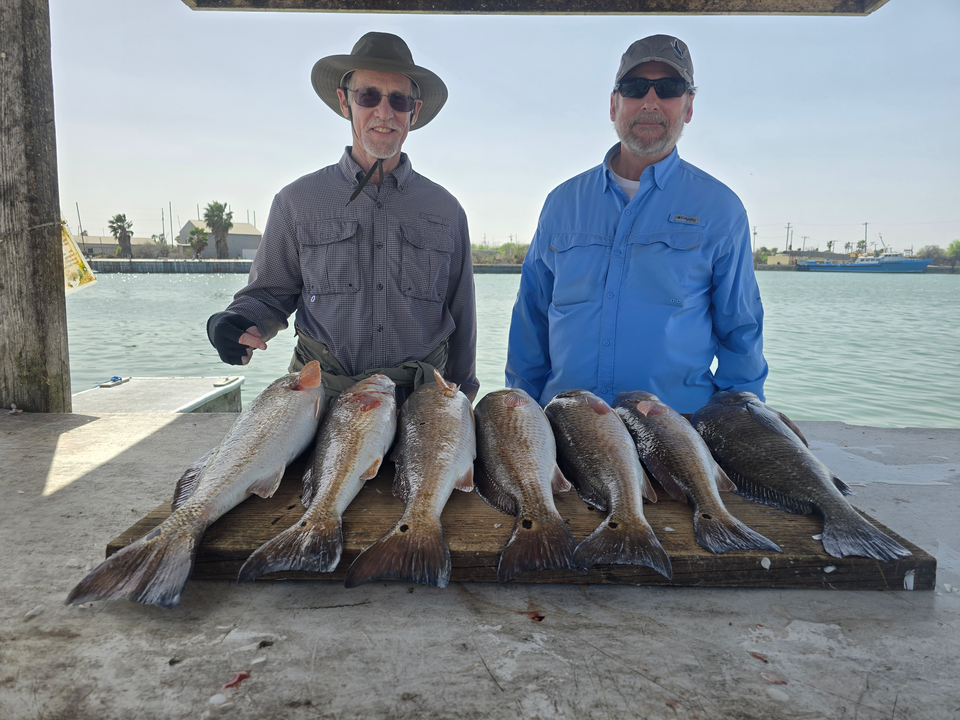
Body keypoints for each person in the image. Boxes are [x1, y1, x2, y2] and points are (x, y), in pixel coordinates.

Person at [207, 32, 478, 404]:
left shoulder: (447, 210)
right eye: (369, 96)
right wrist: (232, 322)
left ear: (413, 112)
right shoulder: (295, 201)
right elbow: (269, 295)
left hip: (419, 406)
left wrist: (463, 398)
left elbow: (462, 318)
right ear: (344, 101)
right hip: (321, 403)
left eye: (398, 100)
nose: (384, 112)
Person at [505, 34, 767, 414]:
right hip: (567, 435)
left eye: (668, 88)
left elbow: (741, 334)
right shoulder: (561, 203)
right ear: (614, 105)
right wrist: (521, 419)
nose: (650, 101)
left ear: (689, 106)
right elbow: (530, 318)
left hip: (676, 437)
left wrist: (743, 429)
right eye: (634, 87)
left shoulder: (721, 209)